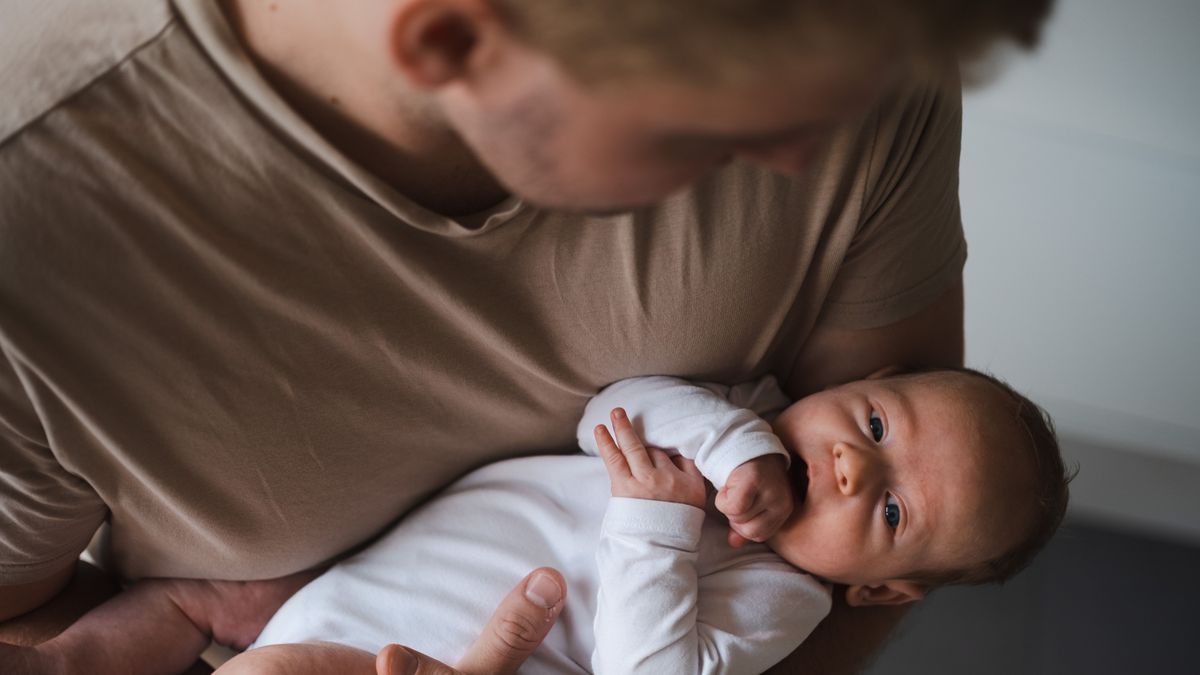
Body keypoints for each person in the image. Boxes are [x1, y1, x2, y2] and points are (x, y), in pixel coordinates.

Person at [0, 1, 1054, 673]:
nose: (798, 153)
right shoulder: (36, 230)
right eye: (723, 119)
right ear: (452, 39)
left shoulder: (846, 49)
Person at [15, 368, 1071, 674]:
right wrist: (728, 447)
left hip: (403, 658)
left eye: (888, 506)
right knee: (201, 594)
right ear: (864, 380)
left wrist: (657, 527)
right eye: (877, 420)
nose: (847, 460)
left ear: (880, 591)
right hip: (321, 585)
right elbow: (605, 412)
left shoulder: (781, 599)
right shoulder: (737, 411)